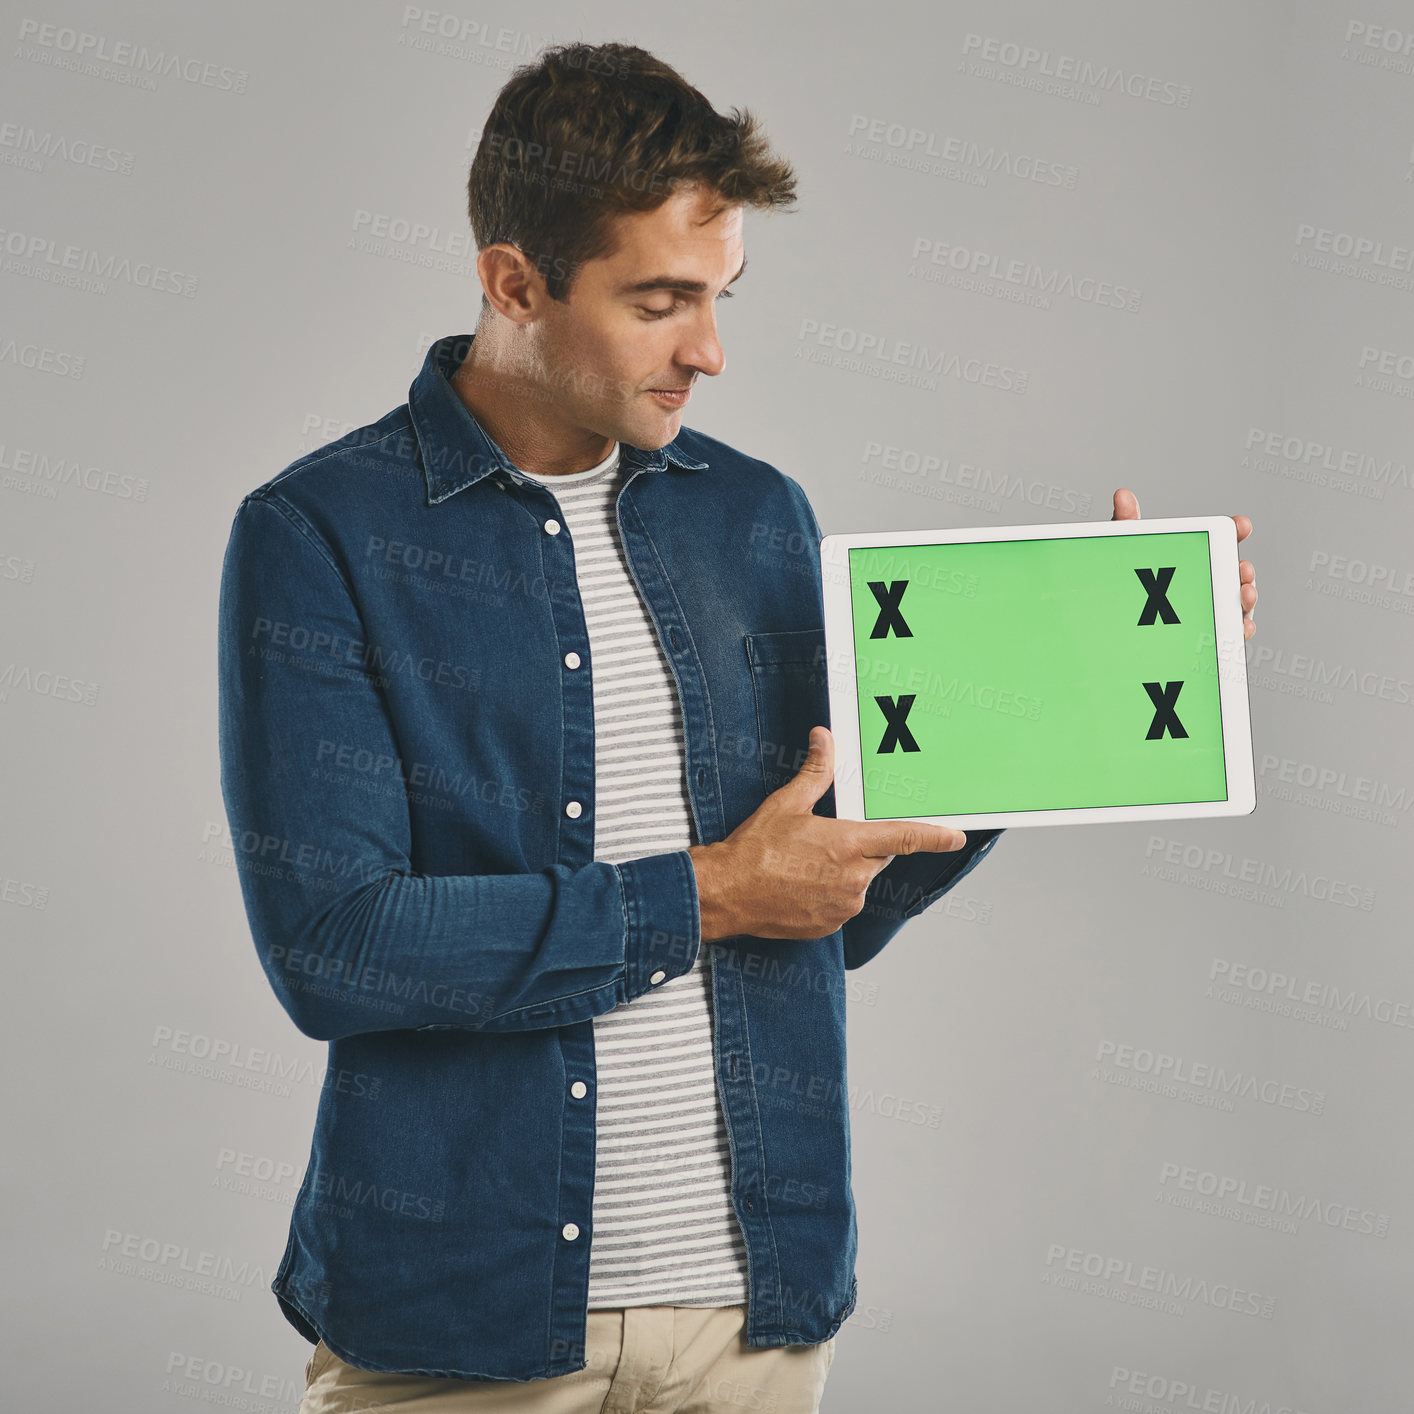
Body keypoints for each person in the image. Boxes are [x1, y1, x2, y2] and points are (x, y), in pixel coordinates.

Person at [217, 40, 1258, 1414]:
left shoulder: (755, 516)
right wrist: (702, 894)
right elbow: (336, 948)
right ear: (513, 282)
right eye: (661, 301)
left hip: (751, 1317)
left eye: (720, 296)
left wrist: (1081, 687)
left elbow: (827, 904)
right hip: (459, 1319)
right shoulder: (320, 533)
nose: (710, 349)